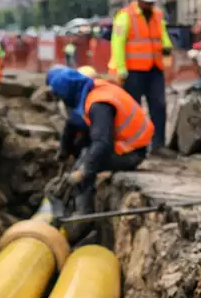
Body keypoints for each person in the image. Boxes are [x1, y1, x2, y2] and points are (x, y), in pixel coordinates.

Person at [45, 65, 153, 216]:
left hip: (132, 152)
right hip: (124, 144)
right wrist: (64, 150)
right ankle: (74, 206)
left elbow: (102, 143)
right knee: (82, 151)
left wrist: (82, 171)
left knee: (85, 161)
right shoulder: (92, 88)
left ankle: (83, 215)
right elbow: (73, 124)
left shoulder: (98, 105)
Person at [110, 0, 173, 152]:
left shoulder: (157, 15)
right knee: (133, 110)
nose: (149, 4)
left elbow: (163, 37)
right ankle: (135, 146)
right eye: (146, 1)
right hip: (133, 72)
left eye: (151, 1)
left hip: (154, 69)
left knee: (159, 106)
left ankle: (158, 145)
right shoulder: (125, 16)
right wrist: (121, 69)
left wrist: (167, 51)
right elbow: (118, 44)